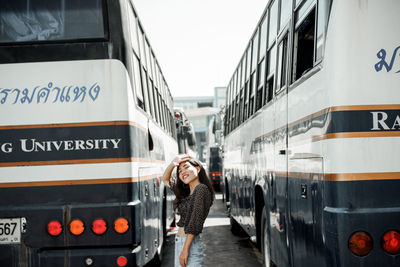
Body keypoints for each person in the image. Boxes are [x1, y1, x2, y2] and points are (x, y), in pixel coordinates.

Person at [162, 154, 215, 267]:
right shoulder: (185, 192)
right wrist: (173, 163)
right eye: (180, 171)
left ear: (197, 168)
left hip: (189, 246)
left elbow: (194, 222)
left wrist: (185, 250)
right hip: (180, 242)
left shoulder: (201, 189)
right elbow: (165, 179)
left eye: (186, 167)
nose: (183, 172)